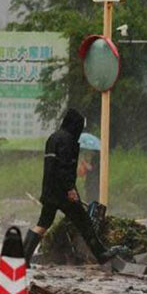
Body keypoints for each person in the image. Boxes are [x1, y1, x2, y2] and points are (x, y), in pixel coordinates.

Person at [23, 108, 123, 265]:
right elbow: (64, 167)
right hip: (63, 192)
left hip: (50, 190)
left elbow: (52, 167)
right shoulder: (68, 140)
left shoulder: (53, 138)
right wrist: (70, 189)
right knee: (84, 222)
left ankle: (22, 259)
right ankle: (101, 254)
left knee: (43, 224)